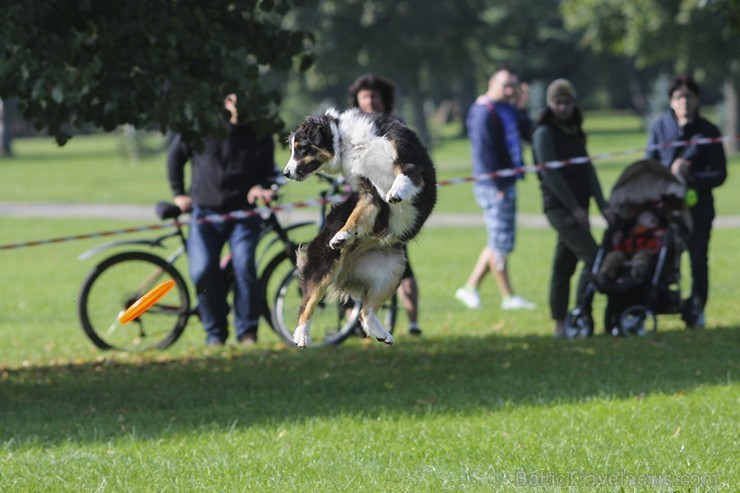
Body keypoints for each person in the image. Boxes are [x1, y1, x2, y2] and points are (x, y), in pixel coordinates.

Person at [167, 94, 276, 346]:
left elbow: (268, 172)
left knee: (244, 267)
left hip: (244, 216)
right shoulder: (202, 126)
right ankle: (215, 334)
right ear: (225, 102)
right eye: (234, 101)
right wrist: (179, 193)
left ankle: (247, 332)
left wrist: (261, 187)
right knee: (203, 271)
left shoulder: (260, 133)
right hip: (204, 214)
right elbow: (175, 157)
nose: (239, 107)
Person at [645, 74, 727, 328]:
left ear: (697, 99)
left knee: (698, 258)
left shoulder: (708, 131)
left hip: (698, 207)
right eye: (679, 98)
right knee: (662, 257)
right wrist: (669, 171)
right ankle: (658, 303)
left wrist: (692, 176)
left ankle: (696, 308)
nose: (684, 103)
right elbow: (650, 164)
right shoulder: (660, 128)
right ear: (671, 101)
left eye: (689, 97)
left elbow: (720, 174)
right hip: (665, 207)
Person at [531, 79, 610, 338]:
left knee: (563, 265)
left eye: (566, 102)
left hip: (580, 205)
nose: (562, 107)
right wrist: (575, 208)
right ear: (550, 104)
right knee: (593, 257)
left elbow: (588, 168)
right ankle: (578, 315)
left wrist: (602, 205)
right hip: (560, 208)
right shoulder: (544, 133)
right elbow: (552, 176)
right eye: (557, 103)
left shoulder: (574, 129)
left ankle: (561, 324)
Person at [455, 65, 535, 311]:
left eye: (513, 85)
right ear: (492, 84)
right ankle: (507, 296)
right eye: (505, 85)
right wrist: (498, 183)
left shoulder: (509, 108)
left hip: (507, 182)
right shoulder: (483, 111)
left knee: (499, 240)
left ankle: (470, 288)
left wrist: (521, 108)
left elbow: (529, 135)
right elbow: (485, 151)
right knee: (499, 241)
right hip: (493, 184)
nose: (510, 90)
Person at [347, 73, 422, 336]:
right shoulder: (352, 128)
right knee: (354, 261)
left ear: (383, 99)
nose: (368, 101)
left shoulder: (395, 126)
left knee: (401, 264)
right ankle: (353, 324)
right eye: (364, 96)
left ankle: (413, 324)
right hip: (362, 205)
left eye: (373, 96)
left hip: (391, 207)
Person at [597, 209, 664, 286]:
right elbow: (625, 245)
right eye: (645, 217)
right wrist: (616, 244)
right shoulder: (632, 233)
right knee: (614, 255)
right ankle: (605, 274)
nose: (651, 219)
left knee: (642, 255)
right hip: (627, 253)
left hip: (644, 252)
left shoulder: (657, 233)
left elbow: (658, 247)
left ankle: (638, 271)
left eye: (652, 217)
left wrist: (660, 237)